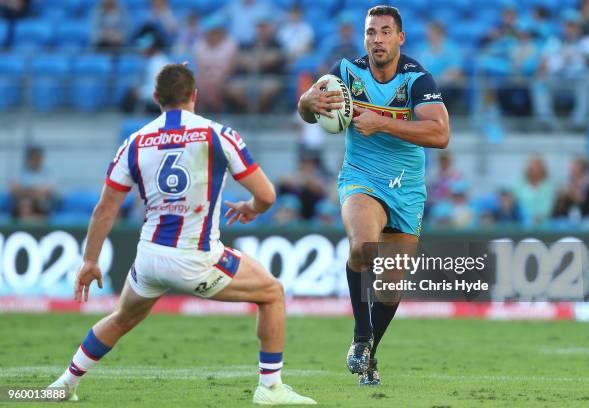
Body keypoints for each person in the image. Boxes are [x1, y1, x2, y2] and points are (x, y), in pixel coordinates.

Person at [48, 64, 315, 406]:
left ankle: (64, 383)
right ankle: (271, 389)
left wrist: (89, 260)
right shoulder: (217, 135)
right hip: (196, 257)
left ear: (156, 97)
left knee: (122, 317)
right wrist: (252, 208)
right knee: (273, 293)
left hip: (150, 256)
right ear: (195, 96)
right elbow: (267, 196)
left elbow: (105, 208)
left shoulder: (135, 141)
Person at [297, 5, 450, 386]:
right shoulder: (346, 72)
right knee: (363, 247)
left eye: (385, 32)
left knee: (390, 288)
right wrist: (307, 104)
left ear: (400, 38)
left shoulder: (417, 79)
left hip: (407, 186)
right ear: (363, 37)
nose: (377, 39)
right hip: (361, 177)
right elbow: (306, 107)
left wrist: (382, 122)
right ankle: (361, 335)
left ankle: (369, 353)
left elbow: (441, 135)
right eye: (370, 33)